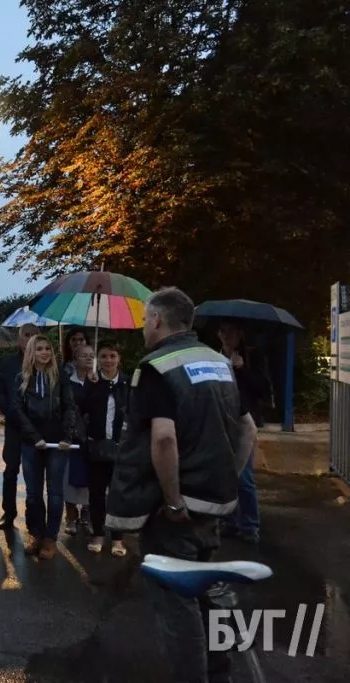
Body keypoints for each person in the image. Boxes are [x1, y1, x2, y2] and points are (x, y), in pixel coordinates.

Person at [106, 287, 257, 683]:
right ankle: (219, 674)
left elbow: (163, 439)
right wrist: (228, 478)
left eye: (145, 321)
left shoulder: (158, 367)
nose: (143, 329)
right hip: (214, 505)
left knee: (177, 603)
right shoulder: (218, 363)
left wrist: (173, 501)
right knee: (207, 591)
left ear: (157, 320)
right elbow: (248, 429)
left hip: (177, 511)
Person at [11, 335, 76, 560]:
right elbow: (17, 410)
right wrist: (34, 437)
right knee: (33, 494)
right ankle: (36, 534)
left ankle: (50, 538)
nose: (45, 352)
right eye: (39, 349)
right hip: (32, 444)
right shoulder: (22, 378)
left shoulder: (60, 376)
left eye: (48, 348)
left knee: (55, 492)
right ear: (31, 352)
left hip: (57, 443)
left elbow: (69, 407)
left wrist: (67, 436)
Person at [217, 320, 270, 544]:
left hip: (244, 423)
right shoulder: (214, 358)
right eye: (223, 331)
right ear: (218, 334)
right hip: (221, 421)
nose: (227, 336)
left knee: (244, 474)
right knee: (225, 473)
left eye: (232, 331)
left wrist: (242, 368)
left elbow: (264, 388)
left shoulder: (251, 357)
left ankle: (250, 525)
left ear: (240, 334)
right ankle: (230, 521)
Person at [77, 341, 129, 556]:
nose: (108, 360)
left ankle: (118, 538)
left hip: (120, 447)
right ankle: (97, 533)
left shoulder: (127, 383)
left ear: (119, 359)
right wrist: (90, 385)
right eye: (104, 356)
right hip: (96, 446)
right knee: (96, 493)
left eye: (113, 356)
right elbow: (81, 408)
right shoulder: (92, 381)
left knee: (118, 494)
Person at [0, 322, 39, 530]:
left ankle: (34, 514)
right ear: (19, 339)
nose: (30, 339)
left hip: (37, 427)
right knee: (11, 469)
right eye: (26, 335)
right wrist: (9, 410)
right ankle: (9, 512)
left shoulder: (45, 363)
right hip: (14, 426)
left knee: (34, 472)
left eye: (34, 335)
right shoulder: (8, 364)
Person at [64, 344, 95, 535]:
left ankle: (88, 513)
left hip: (93, 438)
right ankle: (71, 515)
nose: (89, 358)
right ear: (75, 359)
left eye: (92, 355)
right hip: (73, 436)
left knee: (93, 479)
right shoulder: (68, 383)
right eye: (84, 355)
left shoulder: (98, 381)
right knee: (70, 478)